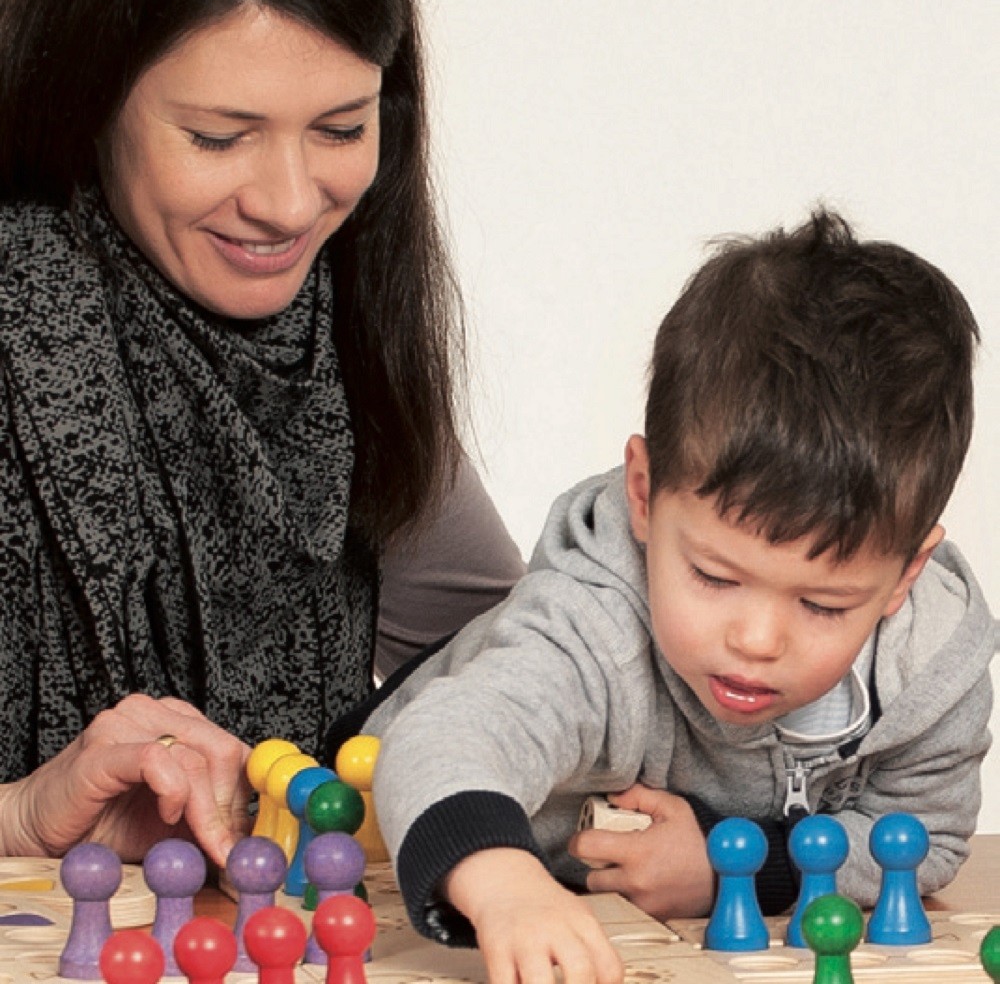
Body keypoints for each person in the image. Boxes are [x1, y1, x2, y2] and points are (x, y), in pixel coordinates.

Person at [366, 210, 997, 984]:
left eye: (824, 606)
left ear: (906, 574)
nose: (758, 639)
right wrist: (504, 884)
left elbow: (921, 840)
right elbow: (444, 739)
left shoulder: (932, 663)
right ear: (644, 492)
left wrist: (735, 869)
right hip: (382, 831)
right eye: (716, 578)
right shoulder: (592, 626)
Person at [0, 0, 523, 866]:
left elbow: (533, 678)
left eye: (342, 129)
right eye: (218, 137)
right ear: (88, 101)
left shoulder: (335, 343)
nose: (286, 204)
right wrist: (23, 815)